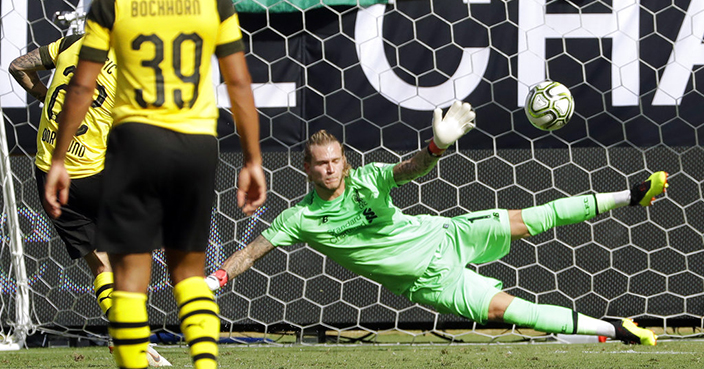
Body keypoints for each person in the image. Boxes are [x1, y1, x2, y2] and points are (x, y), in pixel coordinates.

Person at [206, 101, 665, 346]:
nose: (330, 168)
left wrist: (435, 148)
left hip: (446, 234)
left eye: (336, 160)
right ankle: (614, 328)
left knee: (531, 219)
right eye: (321, 164)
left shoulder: (367, 179)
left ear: (345, 161)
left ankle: (630, 194)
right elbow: (253, 250)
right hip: (429, 283)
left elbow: (407, 170)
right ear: (307, 169)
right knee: (507, 311)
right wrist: (217, 278)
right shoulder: (299, 218)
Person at [42, 1, 267, 368]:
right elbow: (239, 81)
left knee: (128, 278)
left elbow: (81, 86)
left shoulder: (112, 5)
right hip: (195, 144)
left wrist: (59, 158)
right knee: (190, 274)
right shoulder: (213, 4)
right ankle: (206, 365)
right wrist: (252, 159)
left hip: (136, 143)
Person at [9, 35, 170, 366]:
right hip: (93, 176)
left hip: (48, 173)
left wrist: (44, 97)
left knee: (100, 263)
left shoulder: (71, 43)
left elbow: (17, 67)